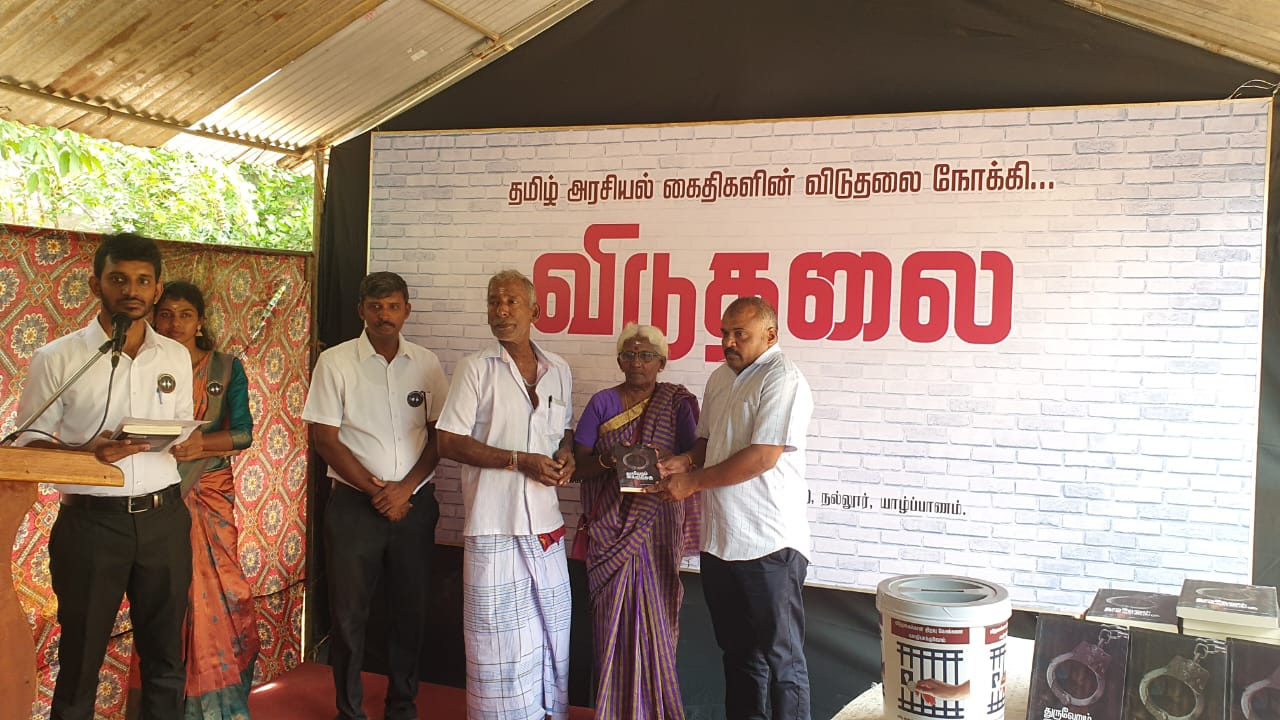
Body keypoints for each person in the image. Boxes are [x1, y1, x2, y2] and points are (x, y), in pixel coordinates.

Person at [14, 232, 198, 720]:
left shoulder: (175, 356)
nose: (131, 290)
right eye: (119, 279)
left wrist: (188, 442)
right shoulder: (59, 357)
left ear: (157, 289)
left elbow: (180, 427)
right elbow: (25, 445)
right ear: (96, 285)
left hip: (163, 521)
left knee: (165, 659)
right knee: (80, 661)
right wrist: (86, 453)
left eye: (143, 281)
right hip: (91, 525)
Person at [654, 296, 815, 720]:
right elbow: (708, 441)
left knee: (783, 661)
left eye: (739, 334)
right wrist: (685, 461)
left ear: (770, 335)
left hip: (770, 545)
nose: (728, 341)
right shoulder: (719, 378)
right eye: (725, 332)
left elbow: (763, 456)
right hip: (720, 542)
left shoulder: (783, 378)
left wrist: (692, 483)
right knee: (739, 656)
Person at [301, 271, 449, 720]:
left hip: (413, 506)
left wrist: (404, 490)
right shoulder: (336, 362)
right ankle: (349, 710)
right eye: (375, 307)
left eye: (393, 306)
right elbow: (325, 439)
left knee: (410, 611)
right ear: (361, 311)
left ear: (407, 311)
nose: (384, 315)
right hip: (353, 507)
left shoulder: (426, 363)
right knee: (349, 615)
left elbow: (441, 436)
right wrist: (376, 490)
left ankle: (402, 705)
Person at [436, 269, 575, 720]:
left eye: (512, 301)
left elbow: (563, 431)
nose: (501, 310)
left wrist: (567, 454)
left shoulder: (559, 370)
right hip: (492, 524)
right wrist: (519, 460)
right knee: (496, 643)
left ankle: (547, 713)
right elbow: (448, 441)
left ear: (535, 311)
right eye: (494, 302)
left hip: (545, 524)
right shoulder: (475, 368)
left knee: (551, 632)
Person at [570, 323, 701, 720]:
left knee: (658, 618)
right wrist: (609, 459)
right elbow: (579, 467)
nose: (637, 362)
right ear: (619, 361)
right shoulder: (602, 403)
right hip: (611, 530)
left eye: (646, 355)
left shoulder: (676, 404)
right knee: (611, 622)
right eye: (629, 354)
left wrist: (667, 462)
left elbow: (696, 456)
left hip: (657, 523)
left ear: (662, 362)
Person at [149, 280, 258, 717]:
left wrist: (200, 447)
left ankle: (218, 707)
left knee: (223, 592)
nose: (174, 324)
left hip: (209, 492)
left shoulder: (226, 368)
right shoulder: (143, 366)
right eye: (165, 314)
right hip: (157, 492)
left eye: (185, 315)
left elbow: (243, 433)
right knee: (165, 597)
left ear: (200, 322)